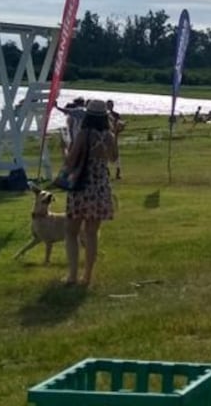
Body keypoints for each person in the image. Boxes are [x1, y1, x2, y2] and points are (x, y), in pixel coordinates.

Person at [63, 99, 117, 287]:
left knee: (71, 232)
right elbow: (113, 158)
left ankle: (72, 275)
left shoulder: (84, 134)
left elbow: (70, 162)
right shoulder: (109, 136)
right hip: (100, 186)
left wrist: (64, 150)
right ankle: (88, 276)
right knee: (92, 233)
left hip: (81, 187)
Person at [106, 100, 126, 179]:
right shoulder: (105, 115)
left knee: (116, 154)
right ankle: (107, 170)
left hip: (114, 136)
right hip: (107, 136)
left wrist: (118, 130)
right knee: (106, 153)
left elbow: (120, 125)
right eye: (108, 105)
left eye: (110, 105)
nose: (109, 106)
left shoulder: (116, 115)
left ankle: (118, 170)